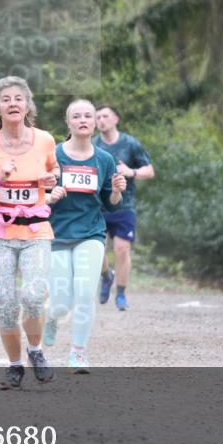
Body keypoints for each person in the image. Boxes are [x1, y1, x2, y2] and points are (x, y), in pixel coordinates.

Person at [0, 76, 59, 390]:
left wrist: (51, 180)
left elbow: (54, 171)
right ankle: (14, 365)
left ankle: (35, 350)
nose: (13, 104)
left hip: (36, 232)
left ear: (27, 105)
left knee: (33, 297)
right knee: (6, 303)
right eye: (6, 99)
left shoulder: (45, 139)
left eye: (18, 98)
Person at [44, 100, 126, 372]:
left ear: (94, 122)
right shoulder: (53, 155)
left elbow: (111, 202)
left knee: (84, 293)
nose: (82, 120)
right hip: (56, 234)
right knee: (60, 302)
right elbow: (38, 195)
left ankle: (78, 352)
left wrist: (116, 190)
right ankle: (52, 319)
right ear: (68, 122)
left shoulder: (104, 159)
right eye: (76, 116)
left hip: (91, 233)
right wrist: (49, 195)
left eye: (87, 116)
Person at [93, 105, 154, 311]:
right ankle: (105, 276)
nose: (101, 120)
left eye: (105, 116)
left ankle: (120, 294)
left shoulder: (130, 144)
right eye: (97, 116)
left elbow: (149, 170)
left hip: (124, 207)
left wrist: (131, 172)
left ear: (116, 119)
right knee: (98, 249)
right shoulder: (93, 145)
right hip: (99, 207)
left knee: (121, 250)